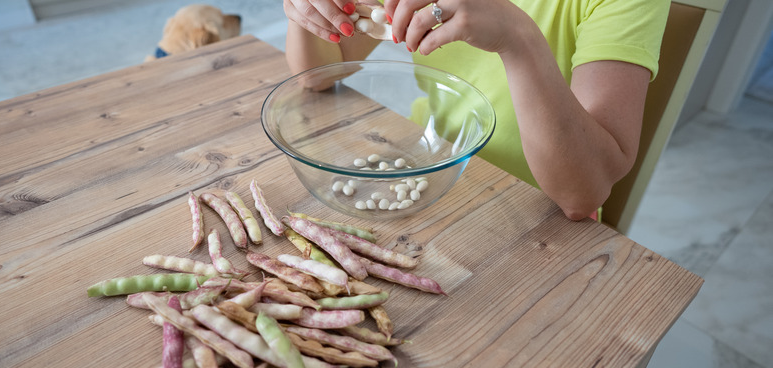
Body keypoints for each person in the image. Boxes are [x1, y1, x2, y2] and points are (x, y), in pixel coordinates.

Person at [282, 0, 670, 221]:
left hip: (532, 217)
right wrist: (314, 14)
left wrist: (516, 37)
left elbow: (582, 194)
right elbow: (317, 72)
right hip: (426, 169)